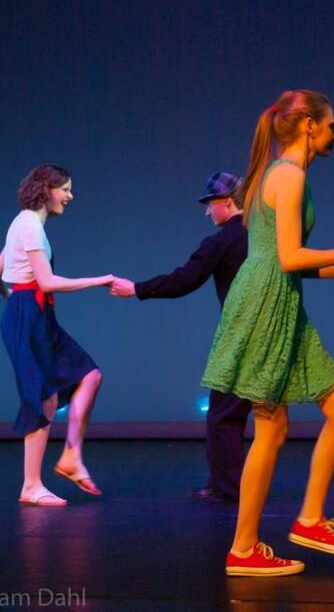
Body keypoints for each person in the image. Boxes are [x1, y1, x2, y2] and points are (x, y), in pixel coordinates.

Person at [201, 90, 334, 577]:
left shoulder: (273, 176)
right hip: (264, 308)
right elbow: (289, 257)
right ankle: (244, 549)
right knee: (271, 429)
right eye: (332, 124)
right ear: (309, 127)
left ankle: (310, 519)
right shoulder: (288, 176)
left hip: (279, 301)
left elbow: (279, 259)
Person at [110, 172, 252, 504]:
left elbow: (185, 280)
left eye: (209, 205)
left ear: (226, 202)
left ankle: (228, 488)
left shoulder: (221, 241)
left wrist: (137, 289)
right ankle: (228, 483)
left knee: (223, 415)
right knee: (255, 413)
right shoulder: (263, 234)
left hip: (241, 337)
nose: (207, 213)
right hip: (269, 334)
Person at [0, 164, 120, 507]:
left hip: (32, 313)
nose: (70, 196)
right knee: (43, 398)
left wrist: (12, 302)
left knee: (90, 375)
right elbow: (46, 283)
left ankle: (71, 457)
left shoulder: (22, 222)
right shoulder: (31, 226)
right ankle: (31, 485)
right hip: (30, 314)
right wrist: (99, 280)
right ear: (47, 189)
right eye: (65, 189)